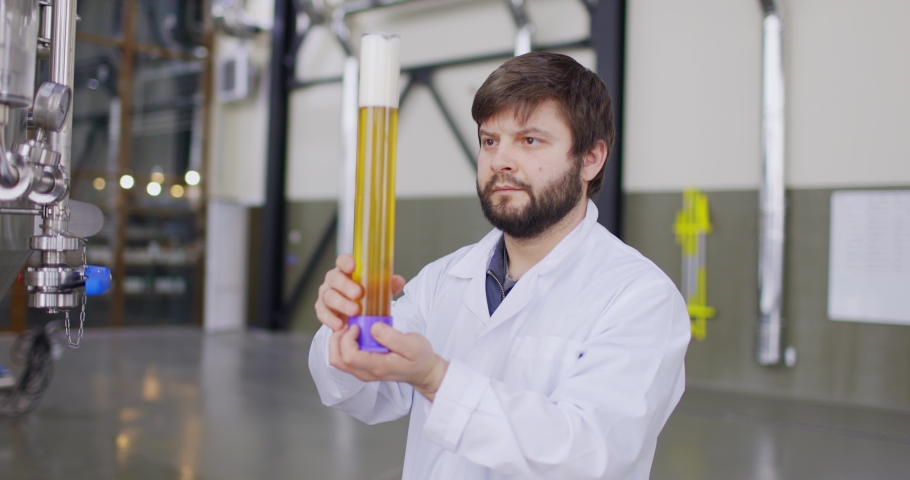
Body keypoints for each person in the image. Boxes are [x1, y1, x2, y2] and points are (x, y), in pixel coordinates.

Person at [309, 51, 690, 480]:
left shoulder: (639, 297)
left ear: (590, 158)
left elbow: (590, 454)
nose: (500, 161)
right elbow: (364, 392)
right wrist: (346, 329)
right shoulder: (444, 279)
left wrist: (436, 378)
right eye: (490, 141)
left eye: (529, 140)